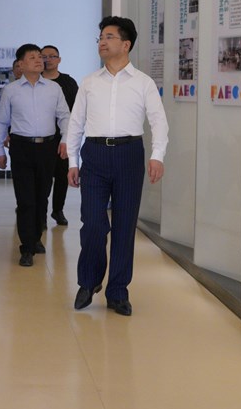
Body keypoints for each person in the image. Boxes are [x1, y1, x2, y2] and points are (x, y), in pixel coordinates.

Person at [66, 16, 168, 316]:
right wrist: (72, 161)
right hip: (95, 155)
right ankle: (88, 281)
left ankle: (118, 291)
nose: (102, 41)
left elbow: (158, 121)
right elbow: (75, 123)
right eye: (100, 37)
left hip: (129, 154)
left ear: (126, 44)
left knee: (124, 226)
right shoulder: (89, 82)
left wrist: (157, 155)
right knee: (92, 223)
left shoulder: (143, 82)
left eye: (109, 36)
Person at [0, 44, 70, 267]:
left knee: (41, 196)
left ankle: (35, 237)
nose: (39, 60)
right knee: (25, 199)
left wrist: (65, 140)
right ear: (20, 64)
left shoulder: (54, 88)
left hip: (48, 147)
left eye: (39, 57)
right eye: (32, 57)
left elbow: (64, 116)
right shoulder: (11, 90)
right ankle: (26, 247)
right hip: (21, 148)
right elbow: (2, 122)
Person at [42, 45, 78, 227]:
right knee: (43, 177)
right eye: (44, 56)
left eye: (52, 56)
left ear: (59, 59)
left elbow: (77, 109)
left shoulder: (68, 82)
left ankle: (58, 210)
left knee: (62, 176)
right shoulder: (36, 80)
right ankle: (40, 213)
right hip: (42, 137)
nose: (48, 60)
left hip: (64, 136)